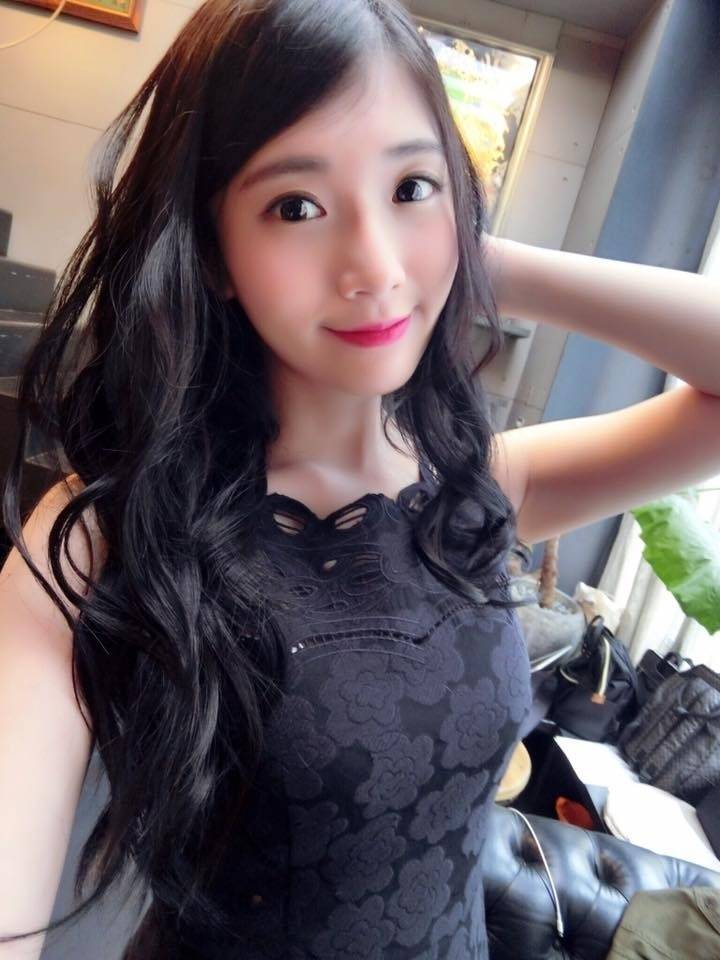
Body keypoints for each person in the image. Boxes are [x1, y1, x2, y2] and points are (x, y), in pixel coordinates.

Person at [1, 0, 719, 957]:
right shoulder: (102, 537)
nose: (373, 267)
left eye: (412, 186)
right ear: (213, 251)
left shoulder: (478, 487)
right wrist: (416, 220)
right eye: (296, 206)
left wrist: (468, 259)